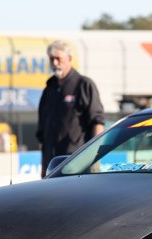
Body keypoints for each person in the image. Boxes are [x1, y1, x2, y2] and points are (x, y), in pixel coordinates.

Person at [36, 40, 105, 177]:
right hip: (52, 165)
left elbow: (98, 123)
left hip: (79, 163)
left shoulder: (84, 85)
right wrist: (44, 168)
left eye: (58, 58)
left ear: (70, 59)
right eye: (52, 59)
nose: (55, 63)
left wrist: (92, 158)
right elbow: (42, 135)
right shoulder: (48, 90)